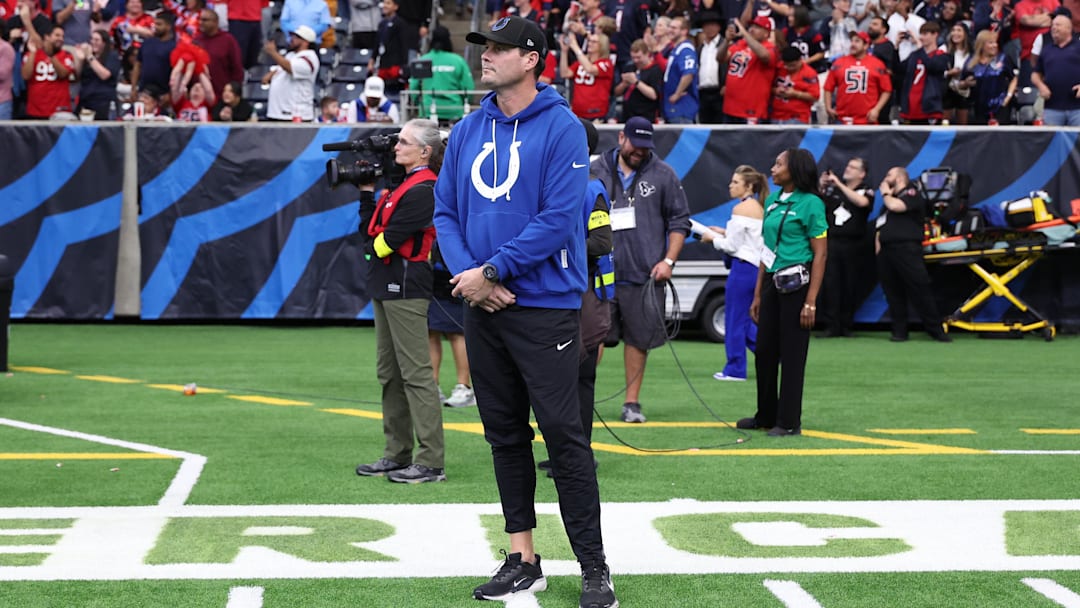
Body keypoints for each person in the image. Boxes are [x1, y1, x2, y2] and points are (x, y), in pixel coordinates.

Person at [432, 16, 617, 608]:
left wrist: (491, 272)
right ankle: (523, 558)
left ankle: (594, 567)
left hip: (543, 308)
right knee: (504, 435)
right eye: (484, 47)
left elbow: (560, 218)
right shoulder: (465, 129)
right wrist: (474, 281)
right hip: (483, 305)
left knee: (565, 439)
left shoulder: (563, 127)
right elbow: (445, 214)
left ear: (532, 58)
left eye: (499, 48)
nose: (485, 56)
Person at [355, 118, 447, 485]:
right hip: (386, 284)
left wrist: (371, 247)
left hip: (406, 286)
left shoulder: (423, 189)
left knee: (416, 375)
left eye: (404, 142)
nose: (396, 147)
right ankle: (397, 454)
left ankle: (431, 462)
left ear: (425, 151)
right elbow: (369, 236)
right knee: (389, 375)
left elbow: (382, 242)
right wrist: (365, 192)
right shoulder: (403, 187)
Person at [592, 116, 691, 424]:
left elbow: (680, 222)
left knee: (638, 339)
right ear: (622, 137)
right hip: (598, 272)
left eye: (646, 147)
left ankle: (631, 403)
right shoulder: (594, 170)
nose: (640, 152)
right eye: (636, 144)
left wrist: (669, 261)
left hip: (644, 275)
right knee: (591, 338)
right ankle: (584, 397)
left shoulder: (664, 174)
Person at [738, 148, 828, 437]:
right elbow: (766, 250)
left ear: (795, 170)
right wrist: (757, 294)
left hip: (797, 285)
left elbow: (821, 254)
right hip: (771, 282)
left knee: (792, 354)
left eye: (779, 164)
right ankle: (765, 414)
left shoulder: (812, 203)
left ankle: (789, 421)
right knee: (764, 351)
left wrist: (811, 301)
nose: (772, 169)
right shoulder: (773, 200)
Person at [700, 165, 766, 382]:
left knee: (735, 320)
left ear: (748, 186)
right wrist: (723, 232)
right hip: (754, 268)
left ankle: (736, 369)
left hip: (743, 268)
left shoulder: (740, 209)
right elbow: (748, 240)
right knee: (745, 322)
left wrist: (712, 238)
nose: (731, 185)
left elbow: (732, 245)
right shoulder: (756, 206)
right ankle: (771, 354)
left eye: (736, 182)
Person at [875, 166, 951, 343]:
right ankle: (899, 331)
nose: (886, 178)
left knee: (919, 287)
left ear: (901, 178)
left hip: (906, 249)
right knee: (892, 292)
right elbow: (880, 228)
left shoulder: (911, 194)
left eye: (889, 174)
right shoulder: (886, 205)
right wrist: (878, 251)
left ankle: (935, 330)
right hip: (886, 251)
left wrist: (886, 194)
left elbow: (897, 207)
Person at [818, 157, 873, 337]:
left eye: (853, 167)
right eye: (847, 166)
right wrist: (822, 185)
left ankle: (846, 324)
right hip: (832, 241)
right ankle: (831, 325)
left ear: (862, 173)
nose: (848, 169)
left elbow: (861, 203)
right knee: (831, 284)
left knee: (850, 284)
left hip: (854, 244)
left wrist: (840, 185)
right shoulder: (833, 190)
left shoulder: (866, 190)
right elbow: (817, 204)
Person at [427, 241, 475, 409]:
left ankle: (464, 387)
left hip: (456, 274)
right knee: (430, 331)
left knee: (456, 333)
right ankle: (431, 386)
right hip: (430, 275)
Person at [408, 25, 474, 123]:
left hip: (427, 111)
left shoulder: (423, 60)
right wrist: (466, 103)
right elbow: (468, 87)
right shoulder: (458, 61)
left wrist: (420, 104)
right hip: (454, 111)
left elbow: (413, 86)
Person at [824, 31, 892, 124]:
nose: (853, 44)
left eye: (857, 41)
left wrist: (877, 109)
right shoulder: (839, 62)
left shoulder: (877, 64)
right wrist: (828, 107)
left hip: (867, 120)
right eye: (851, 41)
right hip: (842, 119)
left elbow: (886, 90)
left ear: (866, 45)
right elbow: (828, 87)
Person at [719, 16, 776, 124]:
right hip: (731, 108)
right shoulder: (740, 44)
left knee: (750, 141)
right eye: (752, 26)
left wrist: (744, 33)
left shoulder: (770, 47)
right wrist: (726, 41)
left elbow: (764, 56)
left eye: (758, 27)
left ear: (766, 34)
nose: (752, 29)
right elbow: (720, 58)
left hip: (752, 110)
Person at [899, 21, 955, 124]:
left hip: (929, 107)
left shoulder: (942, 56)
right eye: (921, 34)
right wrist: (896, 47)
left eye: (925, 34)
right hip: (911, 107)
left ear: (935, 34)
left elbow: (932, 65)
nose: (921, 37)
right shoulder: (914, 55)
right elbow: (899, 69)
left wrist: (920, 48)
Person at [1031, 13, 1080, 127]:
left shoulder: (1078, 47)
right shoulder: (1047, 50)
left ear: (1068, 28)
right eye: (1053, 25)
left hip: (1077, 107)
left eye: (1058, 25)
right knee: (1052, 141)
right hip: (1052, 107)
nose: (1054, 28)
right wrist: (1041, 86)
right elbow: (1035, 74)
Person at [261, 25, 318, 122]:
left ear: (306, 41)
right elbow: (275, 73)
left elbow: (289, 68)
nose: (292, 39)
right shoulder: (291, 55)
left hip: (296, 115)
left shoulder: (309, 57)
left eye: (296, 37)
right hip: (277, 113)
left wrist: (273, 53)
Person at [961, 29, 1017, 125]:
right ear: (981, 45)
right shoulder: (971, 61)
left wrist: (1008, 97)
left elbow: (1014, 78)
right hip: (979, 106)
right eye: (990, 43)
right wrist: (966, 83)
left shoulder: (1002, 59)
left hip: (1000, 105)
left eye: (995, 43)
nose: (994, 45)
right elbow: (961, 83)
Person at [21, 24, 76, 119]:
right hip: (35, 110)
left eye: (62, 36)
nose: (61, 39)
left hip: (60, 111)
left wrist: (51, 56)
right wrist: (33, 52)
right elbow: (26, 76)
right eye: (57, 35)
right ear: (47, 37)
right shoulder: (31, 54)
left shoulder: (66, 55)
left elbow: (63, 74)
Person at [559, 28, 614, 121]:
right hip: (577, 113)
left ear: (602, 46)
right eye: (589, 41)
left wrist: (575, 47)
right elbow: (565, 73)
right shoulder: (582, 62)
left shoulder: (606, 63)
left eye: (594, 42)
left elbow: (590, 69)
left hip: (596, 114)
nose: (590, 43)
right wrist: (564, 52)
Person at [194, 8, 243, 102]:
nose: (200, 22)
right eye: (199, 19)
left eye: (205, 20)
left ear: (215, 22)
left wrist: (233, 93)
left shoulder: (228, 40)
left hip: (222, 97)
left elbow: (237, 68)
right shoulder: (196, 41)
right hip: (200, 97)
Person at [73, 31, 121, 119]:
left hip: (103, 101)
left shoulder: (112, 56)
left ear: (104, 43)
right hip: (86, 100)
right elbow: (77, 76)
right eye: (91, 39)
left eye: (97, 40)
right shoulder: (88, 57)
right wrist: (79, 60)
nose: (93, 42)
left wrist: (90, 57)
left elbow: (105, 75)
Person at [130, 13, 176, 101]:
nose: (155, 27)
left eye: (159, 24)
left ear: (168, 26)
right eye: (155, 24)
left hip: (163, 92)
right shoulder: (147, 43)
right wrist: (133, 88)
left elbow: (176, 73)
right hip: (143, 90)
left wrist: (170, 93)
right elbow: (137, 65)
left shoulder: (173, 47)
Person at [661, 15, 698, 123]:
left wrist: (677, 94)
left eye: (674, 28)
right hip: (672, 107)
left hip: (681, 107)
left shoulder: (686, 49)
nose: (670, 30)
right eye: (669, 27)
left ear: (684, 31)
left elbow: (689, 73)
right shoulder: (676, 49)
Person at [614, 38, 662, 122]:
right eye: (633, 57)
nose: (636, 60)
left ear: (647, 54)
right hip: (627, 115)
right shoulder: (629, 67)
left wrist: (636, 82)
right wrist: (624, 83)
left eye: (639, 57)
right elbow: (616, 92)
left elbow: (653, 95)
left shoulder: (655, 70)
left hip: (645, 116)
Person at [771, 46, 819, 124]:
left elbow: (814, 96)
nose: (789, 68)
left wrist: (795, 94)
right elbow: (765, 86)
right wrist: (775, 90)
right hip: (776, 115)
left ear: (800, 60)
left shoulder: (809, 73)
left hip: (797, 116)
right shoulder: (778, 68)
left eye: (793, 65)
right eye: (786, 65)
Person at [940, 23, 973, 125]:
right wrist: (949, 73)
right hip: (948, 89)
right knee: (945, 122)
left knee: (963, 123)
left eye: (959, 30)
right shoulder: (944, 49)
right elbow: (937, 70)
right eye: (953, 30)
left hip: (964, 90)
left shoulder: (972, 52)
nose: (955, 33)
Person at [169, 56, 215, 121]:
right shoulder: (181, 104)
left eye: (201, 87)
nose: (196, 88)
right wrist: (182, 68)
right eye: (194, 87)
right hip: (182, 131)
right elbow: (175, 89)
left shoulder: (207, 105)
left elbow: (208, 90)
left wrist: (199, 69)